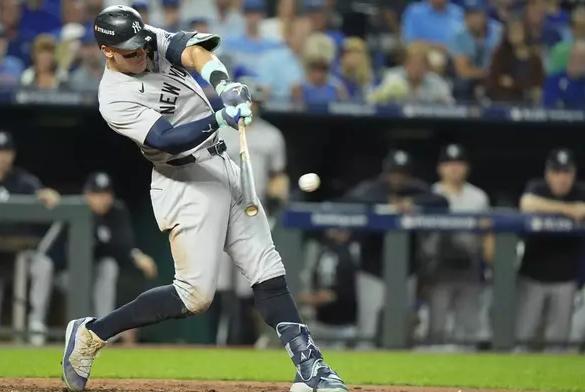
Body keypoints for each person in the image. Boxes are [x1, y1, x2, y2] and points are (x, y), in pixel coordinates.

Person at [61, 6, 348, 392]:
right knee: (194, 296)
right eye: (129, 51)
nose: (141, 53)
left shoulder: (147, 40)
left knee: (267, 268)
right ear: (106, 51)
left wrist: (224, 84)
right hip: (183, 178)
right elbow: (165, 139)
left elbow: (196, 52)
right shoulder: (114, 97)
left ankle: (311, 368)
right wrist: (219, 116)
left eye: (141, 45)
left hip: (222, 163)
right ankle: (92, 333)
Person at [28, 172, 157, 346]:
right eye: (96, 194)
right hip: (64, 274)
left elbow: (122, 246)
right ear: (86, 194)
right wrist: (41, 193)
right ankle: (36, 325)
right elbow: (47, 251)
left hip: (91, 275)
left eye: (105, 194)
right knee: (43, 265)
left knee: (108, 266)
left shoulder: (116, 212)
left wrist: (135, 254)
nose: (101, 199)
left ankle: (105, 327)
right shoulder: (73, 209)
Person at [344, 150, 449, 348]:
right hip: (372, 271)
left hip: (406, 271)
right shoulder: (372, 189)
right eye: (394, 173)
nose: (398, 177)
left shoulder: (415, 191)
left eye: (402, 173)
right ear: (386, 172)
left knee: (401, 328)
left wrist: (411, 203)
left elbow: (442, 202)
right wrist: (386, 205)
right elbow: (349, 201)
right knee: (368, 330)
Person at [0, 130, 60, 342]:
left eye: (6, 151)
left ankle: (36, 327)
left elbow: (43, 194)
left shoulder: (24, 182)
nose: (2, 156)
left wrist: (45, 193)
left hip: (21, 256)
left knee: (43, 265)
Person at [215, 78, 289, 346]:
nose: (250, 107)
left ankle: (251, 338)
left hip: (257, 214)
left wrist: (280, 197)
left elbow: (278, 177)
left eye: (254, 102)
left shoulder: (272, 135)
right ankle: (224, 339)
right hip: (223, 212)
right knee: (222, 283)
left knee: (252, 280)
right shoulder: (221, 131)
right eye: (246, 101)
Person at [517, 147, 585, 352]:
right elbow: (527, 204)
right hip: (532, 277)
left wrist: (582, 209)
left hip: (565, 280)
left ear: (573, 174)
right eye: (557, 172)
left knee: (558, 344)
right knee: (522, 338)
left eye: (566, 173)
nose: (562, 178)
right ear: (548, 173)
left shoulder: (582, 191)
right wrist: (569, 209)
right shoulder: (538, 188)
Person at [425, 144, 490, 348]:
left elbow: (487, 235)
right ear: (440, 168)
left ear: (467, 167)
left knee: (469, 328)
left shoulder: (478, 197)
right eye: (449, 163)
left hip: (469, 269)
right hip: (437, 269)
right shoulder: (430, 194)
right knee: (436, 329)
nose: (454, 168)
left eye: (459, 163)